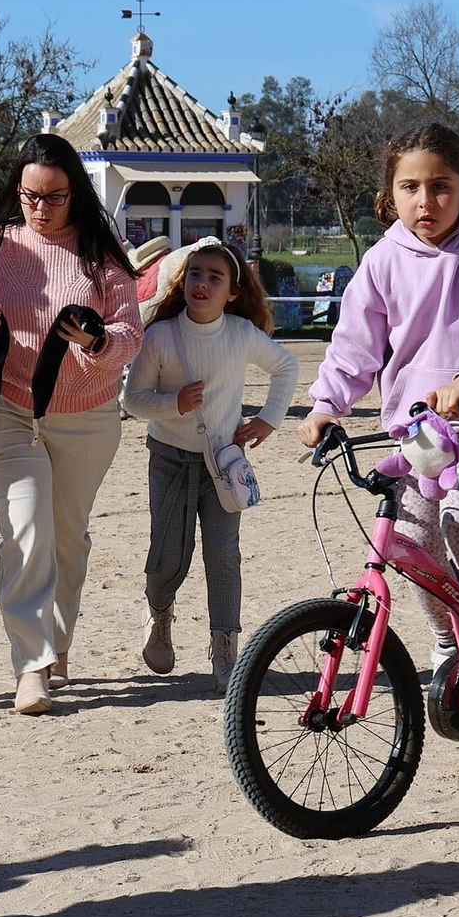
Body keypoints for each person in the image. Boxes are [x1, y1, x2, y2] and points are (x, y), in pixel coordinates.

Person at [299, 122, 459, 691]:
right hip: (417, 430)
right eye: (410, 187)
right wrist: (325, 405)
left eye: (440, 187)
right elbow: (354, 345)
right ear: (390, 194)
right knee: (412, 539)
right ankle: (447, 641)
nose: (425, 201)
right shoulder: (383, 259)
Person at [0, 133, 143, 715]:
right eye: (29, 195)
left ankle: (57, 645)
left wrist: (96, 339)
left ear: (75, 194)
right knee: (26, 527)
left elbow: (129, 334)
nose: (39, 207)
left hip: (86, 412)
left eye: (53, 196)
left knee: (67, 538)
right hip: (7, 406)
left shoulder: (101, 253)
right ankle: (30, 667)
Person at [122, 237, 299, 692]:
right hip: (168, 460)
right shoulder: (159, 336)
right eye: (195, 274)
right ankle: (158, 614)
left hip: (223, 464)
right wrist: (174, 403)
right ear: (183, 284)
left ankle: (226, 650)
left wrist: (267, 421)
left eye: (214, 278)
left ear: (233, 292)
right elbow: (132, 400)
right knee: (167, 558)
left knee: (223, 557)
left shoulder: (241, 335)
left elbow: (286, 369)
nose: (202, 284)